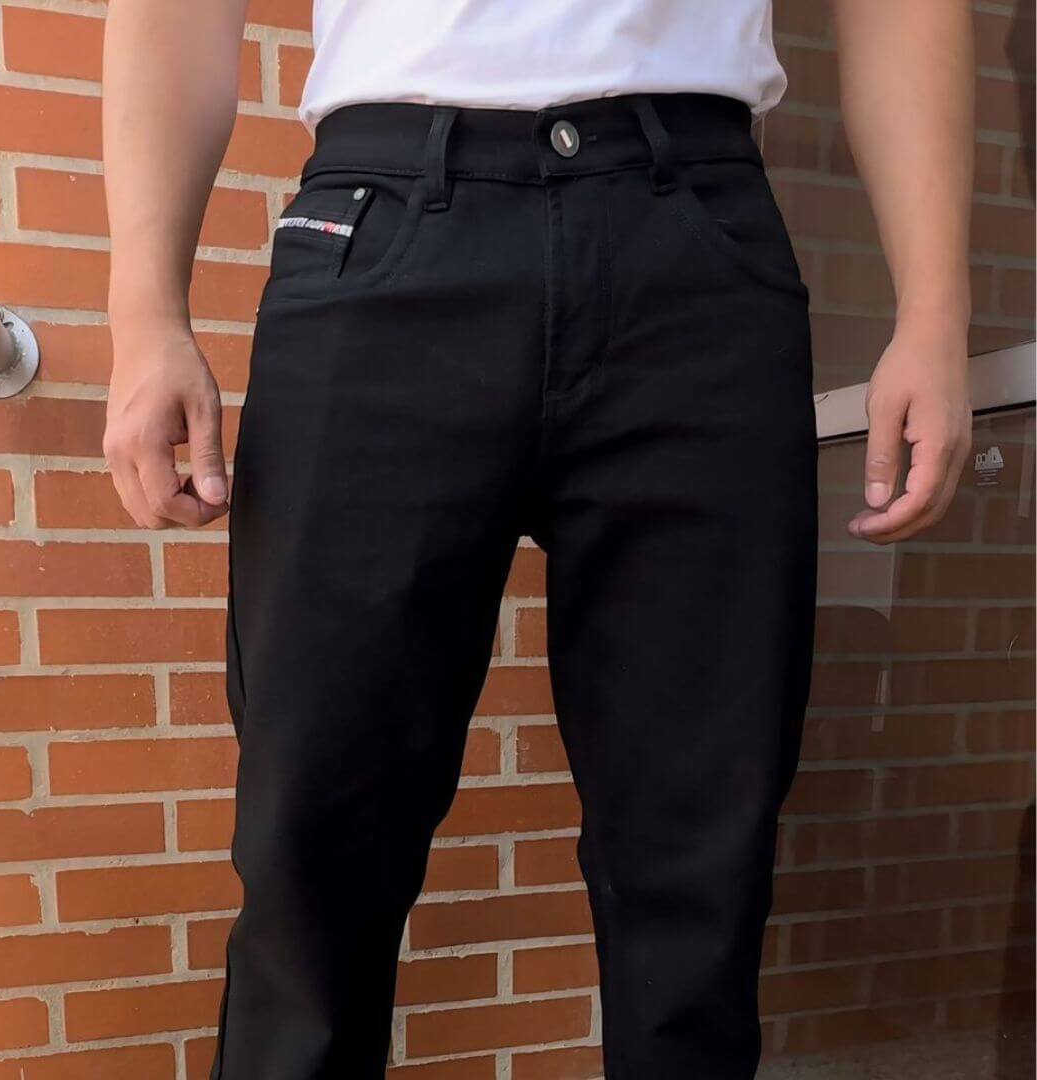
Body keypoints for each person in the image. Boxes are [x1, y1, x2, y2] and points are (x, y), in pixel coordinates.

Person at [101, 2, 974, 1076]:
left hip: (696, 245)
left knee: (700, 865)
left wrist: (935, 314)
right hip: (383, 233)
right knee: (313, 847)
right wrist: (145, 313)